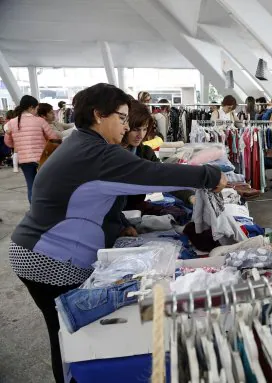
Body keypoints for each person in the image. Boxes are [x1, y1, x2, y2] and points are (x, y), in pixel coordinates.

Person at [7, 83, 226, 383]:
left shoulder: (79, 144)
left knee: (64, 334)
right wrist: (209, 176)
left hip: (35, 250)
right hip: (50, 258)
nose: (125, 127)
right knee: (73, 337)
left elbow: (97, 195)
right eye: (121, 118)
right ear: (98, 115)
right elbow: (153, 175)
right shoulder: (97, 154)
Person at [122, 100, 194, 207]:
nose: (141, 135)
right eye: (136, 129)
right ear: (125, 126)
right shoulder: (109, 152)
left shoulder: (145, 152)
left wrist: (190, 196)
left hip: (134, 213)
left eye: (145, 129)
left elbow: (165, 177)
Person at [4, 95, 62, 203]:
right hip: (41, 158)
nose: (36, 111)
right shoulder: (39, 121)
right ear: (31, 108)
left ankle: (34, 210)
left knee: (31, 186)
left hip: (24, 160)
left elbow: (9, 143)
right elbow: (53, 138)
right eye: (36, 109)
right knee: (45, 184)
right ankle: (45, 207)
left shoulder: (12, 123)